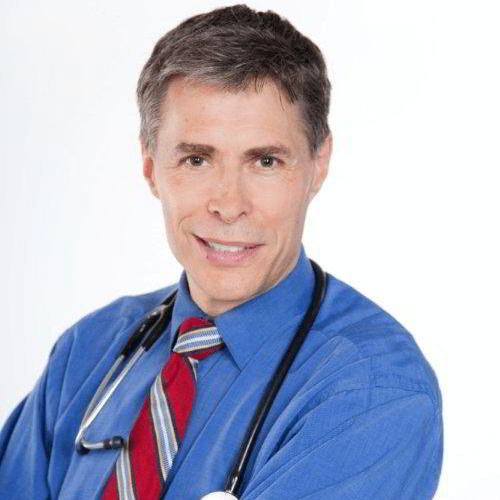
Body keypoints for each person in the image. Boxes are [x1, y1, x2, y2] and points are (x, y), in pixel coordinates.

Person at [0, 5, 442, 499]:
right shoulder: (88, 350)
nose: (229, 205)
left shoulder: (370, 391)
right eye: (196, 159)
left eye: (266, 161)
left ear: (318, 165)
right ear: (150, 166)